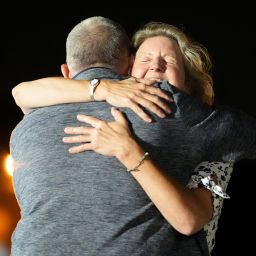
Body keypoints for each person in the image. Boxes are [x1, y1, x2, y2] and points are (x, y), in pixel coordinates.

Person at [12, 20, 253, 255]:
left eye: (169, 61)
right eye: (145, 59)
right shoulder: (168, 107)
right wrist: (104, 88)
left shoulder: (29, 122)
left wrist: (128, 150)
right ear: (128, 68)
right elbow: (20, 92)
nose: (156, 68)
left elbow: (189, 220)